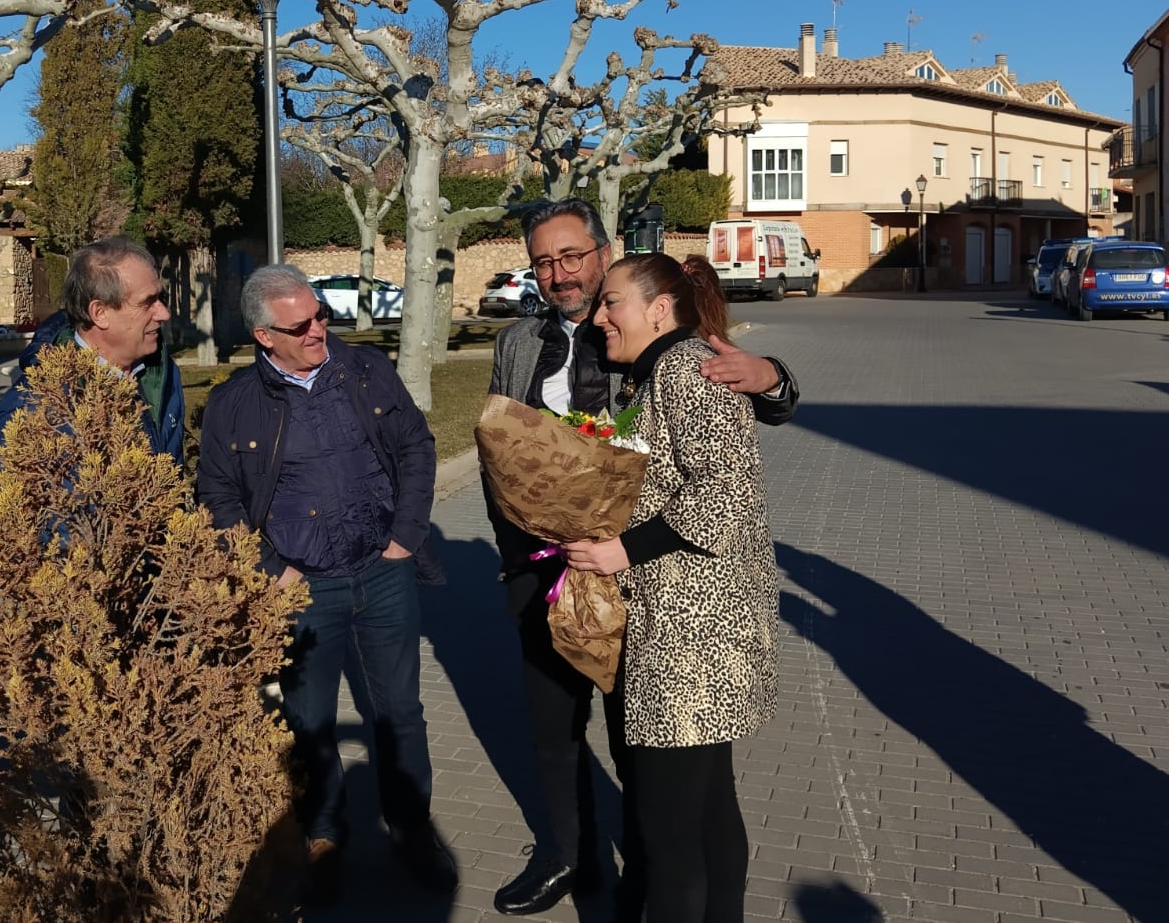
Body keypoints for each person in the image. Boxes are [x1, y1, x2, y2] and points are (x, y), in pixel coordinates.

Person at [486, 199, 797, 916]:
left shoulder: (680, 363)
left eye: (573, 257)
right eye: (543, 261)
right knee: (570, 743)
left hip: (669, 617)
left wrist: (773, 372)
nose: (562, 275)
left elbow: (727, 472)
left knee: (667, 804)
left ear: (603, 255)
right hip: (559, 574)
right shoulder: (522, 344)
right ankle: (570, 859)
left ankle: (642, 892)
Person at [196, 264, 457, 905]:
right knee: (309, 719)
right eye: (302, 325)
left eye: (320, 316)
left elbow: (418, 448)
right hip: (301, 587)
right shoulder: (234, 405)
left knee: (400, 710)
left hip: (382, 570)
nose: (319, 330)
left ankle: (411, 829)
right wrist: (270, 570)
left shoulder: (365, 370)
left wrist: (405, 532)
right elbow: (217, 497)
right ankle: (324, 835)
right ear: (264, 336)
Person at [564, 252, 776, 923]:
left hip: (689, 640)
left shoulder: (686, 370)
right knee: (710, 811)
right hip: (689, 629)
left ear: (660, 309)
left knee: (670, 835)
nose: (599, 318)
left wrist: (616, 551)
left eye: (611, 303)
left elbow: (724, 492)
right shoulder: (657, 376)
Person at [0, 237, 183, 471]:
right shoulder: (36, 404)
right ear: (100, 313)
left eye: (160, 299)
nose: (164, 314)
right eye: (147, 302)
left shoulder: (160, 373)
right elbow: (5, 500)